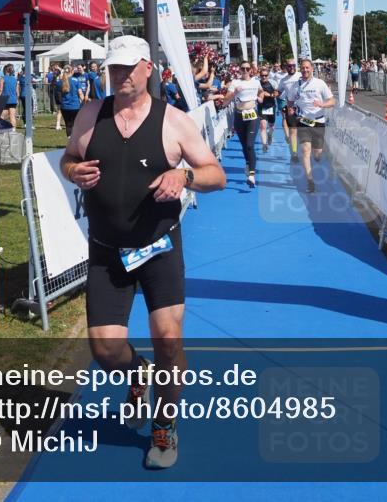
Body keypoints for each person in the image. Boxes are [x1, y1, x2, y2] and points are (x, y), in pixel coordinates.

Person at [60, 36, 225, 470]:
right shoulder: (92, 113)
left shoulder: (173, 121)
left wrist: (184, 177)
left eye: (127, 68)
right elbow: (68, 157)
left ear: (148, 68)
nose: (118, 75)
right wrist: (74, 170)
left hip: (159, 249)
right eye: (113, 68)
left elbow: (216, 174)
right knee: (105, 351)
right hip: (106, 251)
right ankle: (139, 375)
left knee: (168, 342)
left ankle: (165, 426)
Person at [289, 58, 336, 193]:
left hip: (318, 122)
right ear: (300, 69)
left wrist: (322, 104)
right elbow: (290, 101)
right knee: (305, 150)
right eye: (303, 68)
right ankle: (310, 180)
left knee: (317, 154)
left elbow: (332, 101)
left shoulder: (320, 84)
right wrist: (290, 109)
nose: (305, 70)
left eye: (307, 68)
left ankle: (318, 155)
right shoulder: (295, 85)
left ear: (312, 69)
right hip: (303, 121)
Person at [218, 62, 265, 188]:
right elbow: (226, 99)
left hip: (252, 116)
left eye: (247, 68)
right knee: (244, 145)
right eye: (242, 68)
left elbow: (261, 92)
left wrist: (260, 98)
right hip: (239, 116)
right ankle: (248, 163)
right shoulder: (235, 82)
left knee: (250, 145)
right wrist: (234, 93)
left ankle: (251, 175)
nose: (245, 70)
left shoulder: (255, 81)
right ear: (240, 70)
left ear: (251, 70)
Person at [277, 60, 301, 162]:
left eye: (293, 66)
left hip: (304, 109)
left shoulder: (300, 75)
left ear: (295, 66)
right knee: (293, 131)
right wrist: (272, 94)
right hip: (291, 108)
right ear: (286, 67)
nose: (291, 67)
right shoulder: (283, 80)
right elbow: (278, 91)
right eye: (289, 66)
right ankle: (294, 153)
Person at [56, 64, 83, 136]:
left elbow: (58, 95)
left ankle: (69, 140)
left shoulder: (59, 82)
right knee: (75, 125)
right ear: (71, 71)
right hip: (75, 106)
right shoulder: (76, 80)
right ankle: (75, 141)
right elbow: (80, 93)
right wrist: (84, 102)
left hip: (64, 107)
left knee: (68, 125)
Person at [256, 65, 278, 152]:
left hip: (271, 106)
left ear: (268, 76)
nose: (264, 77)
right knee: (262, 126)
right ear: (260, 75)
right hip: (261, 107)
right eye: (262, 75)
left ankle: (270, 135)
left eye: (266, 75)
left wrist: (269, 94)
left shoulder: (273, 83)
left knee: (271, 126)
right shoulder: (257, 83)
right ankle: (264, 145)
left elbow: (276, 93)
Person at [0, 64, 19, 129]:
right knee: (12, 116)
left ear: (5, 70)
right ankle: (13, 130)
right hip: (13, 100)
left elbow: (0, 89)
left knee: (1, 116)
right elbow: (17, 91)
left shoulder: (3, 78)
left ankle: (2, 130)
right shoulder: (15, 79)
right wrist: (17, 99)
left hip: (5, 99)